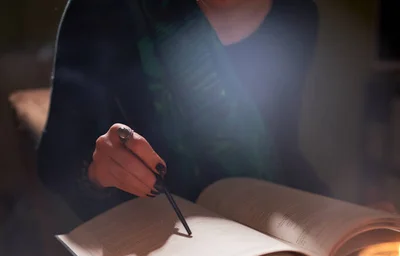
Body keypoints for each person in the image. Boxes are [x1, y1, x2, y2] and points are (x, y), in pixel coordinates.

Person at [38, 0, 328, 221]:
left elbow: (281, 146)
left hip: (269, 227)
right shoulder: (104, 9)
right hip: (153, 244)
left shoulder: (295, 13)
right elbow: (55, 163)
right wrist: (99, 173)